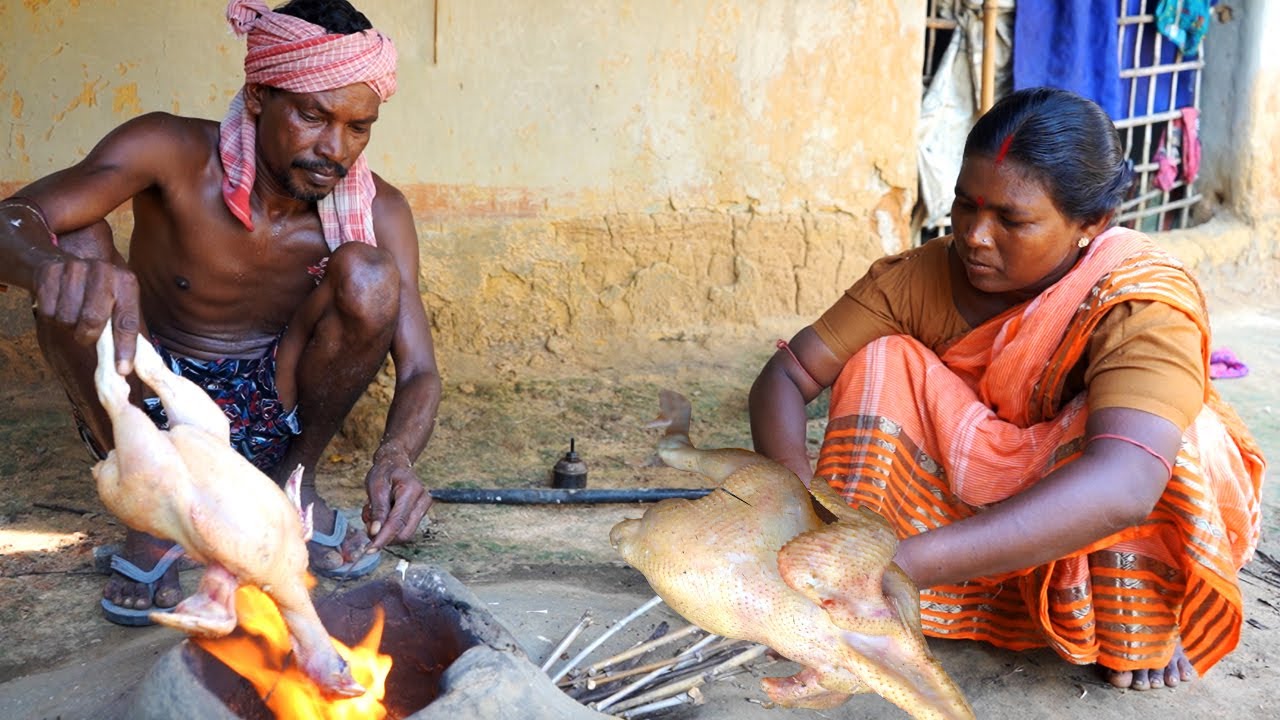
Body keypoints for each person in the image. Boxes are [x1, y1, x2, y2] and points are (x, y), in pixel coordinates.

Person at [749, 87, 1264, 692]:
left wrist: (899, 563)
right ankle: (877, 589)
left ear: (1092, 224)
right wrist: (797, 516)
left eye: (1011, 220)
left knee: (1171, 439)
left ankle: (1142, 615)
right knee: (883, 361)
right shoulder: (922, 277)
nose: (974, 235)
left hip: (1078, 510)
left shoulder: (1139, 302)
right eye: (965, 206)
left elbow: (1125, 485)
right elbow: (786, 376)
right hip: (967, 511)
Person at [0, 0, 439, 625]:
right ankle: (149, 513)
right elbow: (16, 220)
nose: (334, 148)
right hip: (145, 392)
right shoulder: (169, 150)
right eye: (312, 116)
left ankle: (291, 490)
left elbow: (420, 371)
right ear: (259, 95)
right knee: (72, 238)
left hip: (272, 406)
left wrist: (396, 457)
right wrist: (49, 267)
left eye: (358, 127)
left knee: (369, 274)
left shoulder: (378, 209)